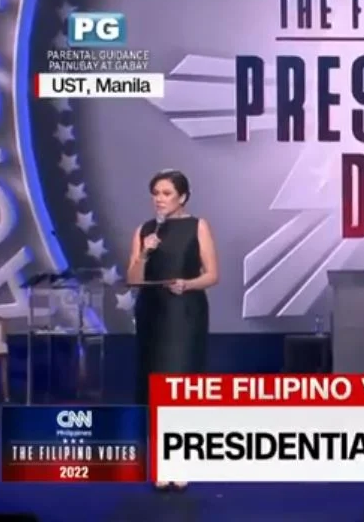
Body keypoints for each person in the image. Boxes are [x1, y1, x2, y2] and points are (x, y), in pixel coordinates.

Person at [126, 169, 219, 492]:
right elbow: (133, 279)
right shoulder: (144, 230)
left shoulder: (198, 226)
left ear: (183, 197)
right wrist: (145, 253)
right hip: (152, 312)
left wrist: (188, 284)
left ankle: (180, 460)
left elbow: (212, 275)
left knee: (180, 381)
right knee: (155, 384)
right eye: (155, 193)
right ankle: (162, 462)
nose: (159, 199)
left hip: (185, 312)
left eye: (166, 193)